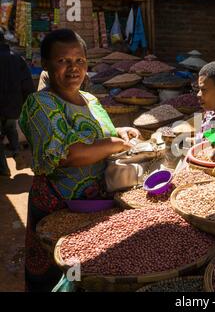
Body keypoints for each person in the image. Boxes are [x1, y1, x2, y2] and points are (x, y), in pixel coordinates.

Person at [18, 29, 140, 292]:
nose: (73, 68)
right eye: (63, 61)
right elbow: (67, 154)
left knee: (87, 270)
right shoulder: (41, 104)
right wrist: (116, 144)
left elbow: (99, 134)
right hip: (58, 208)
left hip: (96, 205)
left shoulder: (91, 100)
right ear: (46, 65)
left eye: (79, 61)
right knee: (57, 273)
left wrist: (119, 132)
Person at [0, 30, 35, 176]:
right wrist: (28, 102)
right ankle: (16, 153)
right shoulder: (17, 58)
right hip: (14, 105)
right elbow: (27, 84)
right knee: (11, 129)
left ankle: (3, 168)